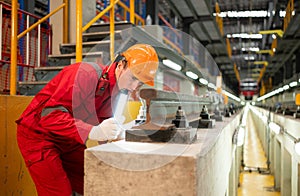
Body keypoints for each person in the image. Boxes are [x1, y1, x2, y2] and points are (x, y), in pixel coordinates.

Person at [16, 44, 159, 196]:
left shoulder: (119, 91)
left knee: (96, 181)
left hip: (69, 140)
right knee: (59, 192)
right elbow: (50, 116)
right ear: (121, 65)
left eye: (140, 83)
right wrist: (93, 131)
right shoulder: (85, 74)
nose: (134, 87)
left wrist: (116, 138)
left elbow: (104, 125)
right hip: (39, 137)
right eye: (133, 78)